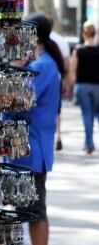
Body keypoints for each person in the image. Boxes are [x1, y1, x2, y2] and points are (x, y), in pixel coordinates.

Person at [9, 14, 64, 245]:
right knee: (29, 211)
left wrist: (14, 68)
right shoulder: (42, 64)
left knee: (34, 212)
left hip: (30, 152)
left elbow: (14, 102)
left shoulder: (42, 67)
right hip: (28, 151)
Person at [69, 21, 99, 154]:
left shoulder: (79, 50)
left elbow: (72, 69)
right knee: (94, 114)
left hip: (82, 86)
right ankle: (88, 142)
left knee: (87, 115)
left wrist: (70, 85)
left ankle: (89, 143)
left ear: (84, 34)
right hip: (97, 86)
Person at [49, 22, 70, 151]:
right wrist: (66, 82)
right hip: (57, 79)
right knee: (57, 110)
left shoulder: (39, 40)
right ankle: (58, 136)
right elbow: (66, 63)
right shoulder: (61, 40)